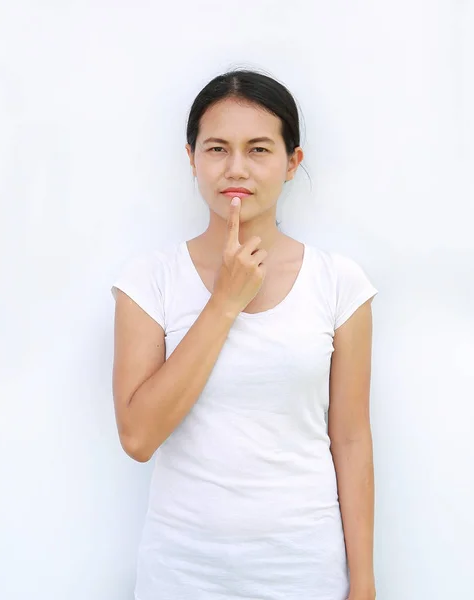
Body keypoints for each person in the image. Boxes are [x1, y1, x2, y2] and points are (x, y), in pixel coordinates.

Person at [111, 69, 378, 600]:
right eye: (216, 149)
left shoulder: (339, 283)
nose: (236, 169)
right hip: (182, 572)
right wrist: (225, 303)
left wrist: (364, 580)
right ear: (191, 158)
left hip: (305, 569)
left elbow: (350, 440)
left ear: (292, 162)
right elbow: (138, 438)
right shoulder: (149, 281)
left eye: (258, 149)